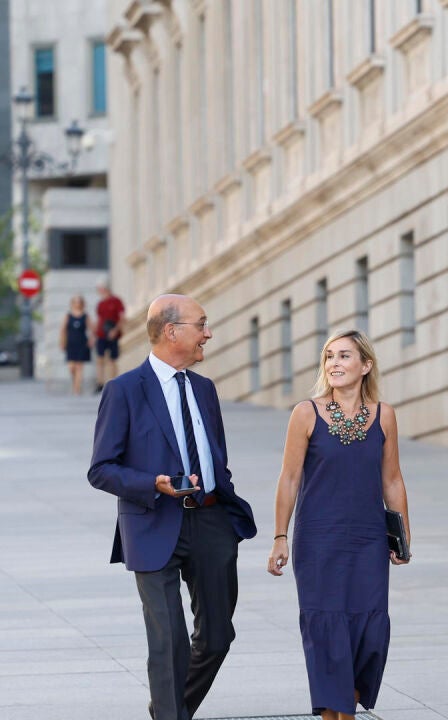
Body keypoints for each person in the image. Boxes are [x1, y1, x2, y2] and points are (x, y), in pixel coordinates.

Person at [87, 294, 257, 720]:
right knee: (169, 643)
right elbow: (101, 469)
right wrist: (153, 484)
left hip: (211, 520)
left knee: (217, 637)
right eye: (201, 324)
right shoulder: (124, 390)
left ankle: (168, 709)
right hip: (152, 523)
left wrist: (225, 505)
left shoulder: (204, 389)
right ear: (171, 331)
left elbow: (216, 456)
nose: (208, 333)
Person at [267, 329, 411, 720]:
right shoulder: (306, 413)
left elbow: (392, 480)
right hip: (318, 540)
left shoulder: (384, 415)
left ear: (366, 365)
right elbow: (289, 478)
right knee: (326, 628)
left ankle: (345, 706)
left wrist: (402, 537)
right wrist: (280, 536)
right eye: (329, 356)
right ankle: (339, 714)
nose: (334, 363)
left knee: (369, 629)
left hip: (368, 539)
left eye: (344, 356)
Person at [95, 279, 125, 391]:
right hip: (101, 334)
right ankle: (100, 383)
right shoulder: (100, 304)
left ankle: (113, 383)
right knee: (100, 358)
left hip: (113, 334)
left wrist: (115, 330)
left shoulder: (116, 301)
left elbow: (122, 318)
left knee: (112, 359)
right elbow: (99, 320)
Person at [61, 294, 92, 394]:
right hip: (71, 343)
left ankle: (77, 389)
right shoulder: (68, 316)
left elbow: (92, 329)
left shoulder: (85, 316)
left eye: (79, 302)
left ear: (82, 303)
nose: (77, 304)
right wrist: (62, 342)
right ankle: (75, 383)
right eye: (75, 302)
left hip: (82, 343)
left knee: (79, 366)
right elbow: (63, 330)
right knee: (71, 367)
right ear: (72, 303)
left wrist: (91, 340)